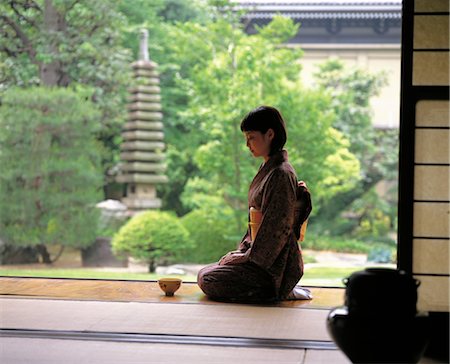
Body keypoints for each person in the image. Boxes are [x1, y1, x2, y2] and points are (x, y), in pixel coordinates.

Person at [197, 105, 312, 303]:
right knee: (207, 272)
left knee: (209, 279)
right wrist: (242, 252)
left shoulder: (281, 174)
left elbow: (276, 231)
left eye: (251, 138)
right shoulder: (269, 168)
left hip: (275, 266)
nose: (248, 144)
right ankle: (276, 288)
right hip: (258, 257)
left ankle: (280, 289)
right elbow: (257, 227)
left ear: (269, 134)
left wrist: (245, 257)